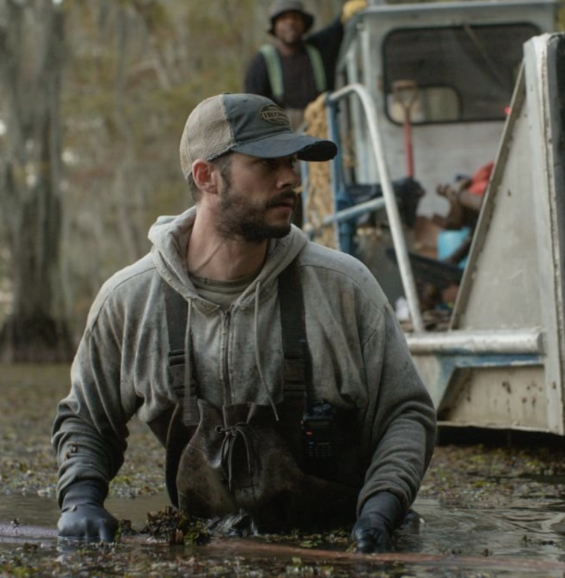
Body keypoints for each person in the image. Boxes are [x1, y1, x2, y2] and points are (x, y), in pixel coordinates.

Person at [52, 92, 437, 554]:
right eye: (267, 163)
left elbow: (405, 414)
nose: (291, 179)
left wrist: (383, 506)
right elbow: (86, 420)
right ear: (206, 176)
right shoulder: (130, 301)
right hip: (203, 550)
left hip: (348, 545)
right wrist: (80, 499)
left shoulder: (343, 288)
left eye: (293, 162)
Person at [244, 0, 365, 128]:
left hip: (322, 126)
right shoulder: (262, 62)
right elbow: (254, 108)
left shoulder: (319, 49)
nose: (290, 22)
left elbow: (337, 27)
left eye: (296, 18)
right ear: (274, 26)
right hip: (283, 135)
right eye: (283, 18)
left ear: (304, 24)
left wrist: (346, 12)